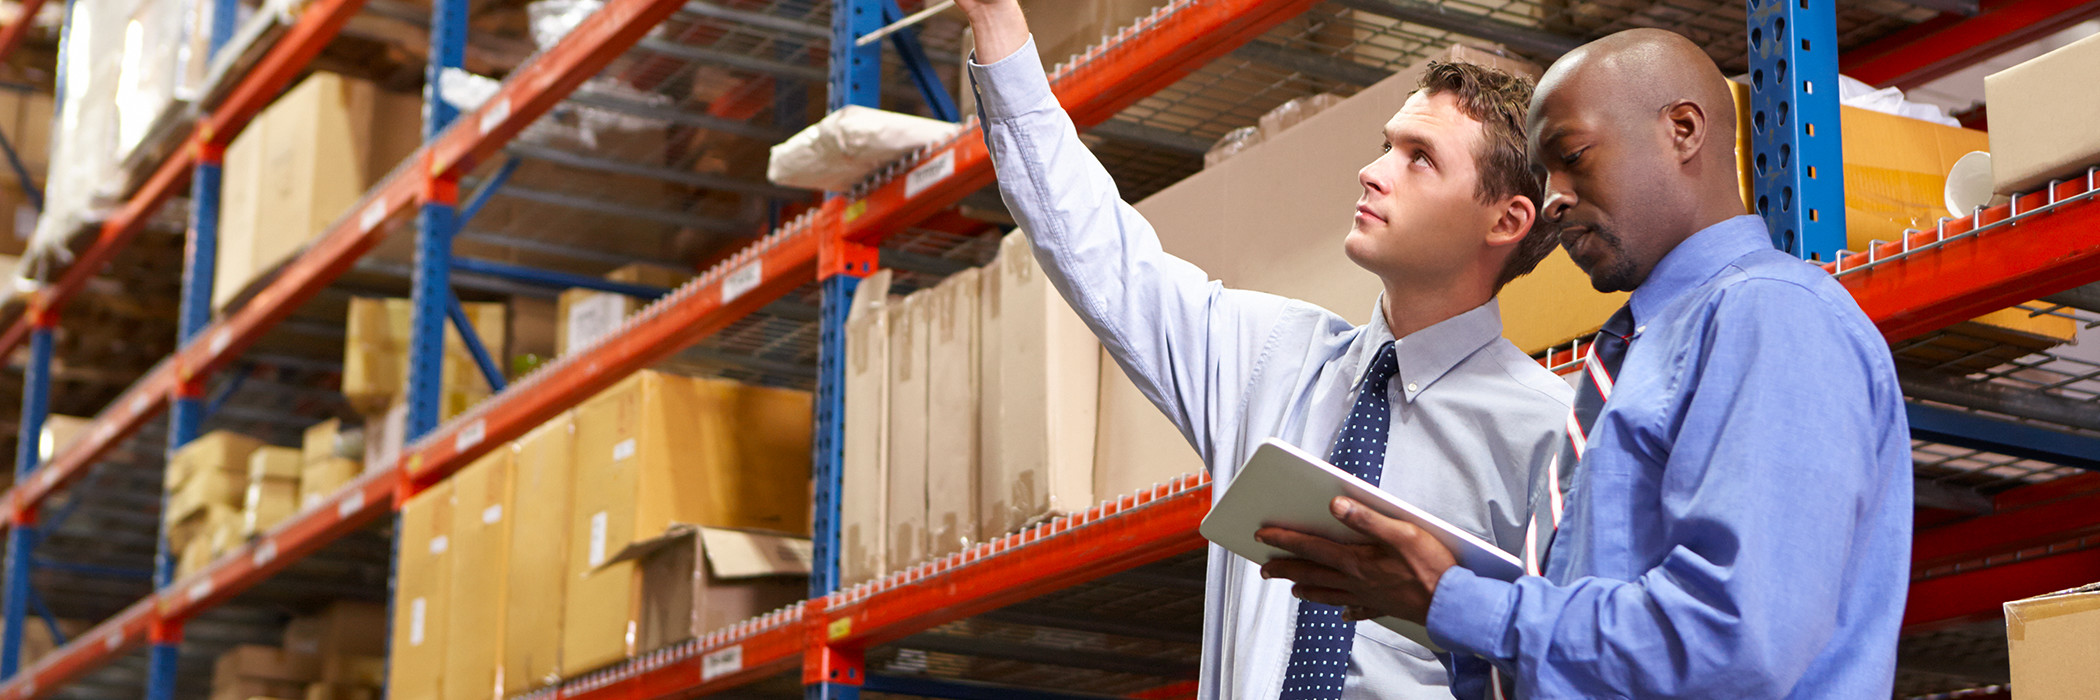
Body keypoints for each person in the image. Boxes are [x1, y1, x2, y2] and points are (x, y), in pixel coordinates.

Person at [1259, 28, 1913, 698]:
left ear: (1683, 129)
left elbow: (1732, 639)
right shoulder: (1641, 347)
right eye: (1547, 177)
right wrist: (1438, 603)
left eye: (1573, 158)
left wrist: (1461, 603)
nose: (1553, 201)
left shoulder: (1770, 318)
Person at [954, 1, 1572, 698]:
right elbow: (1099, 251)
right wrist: (996, 18)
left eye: (1419, 159)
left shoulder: (1552, 436)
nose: (1372, 172)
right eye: (1386, 144)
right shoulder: (1272, 360)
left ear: (1506, 220)